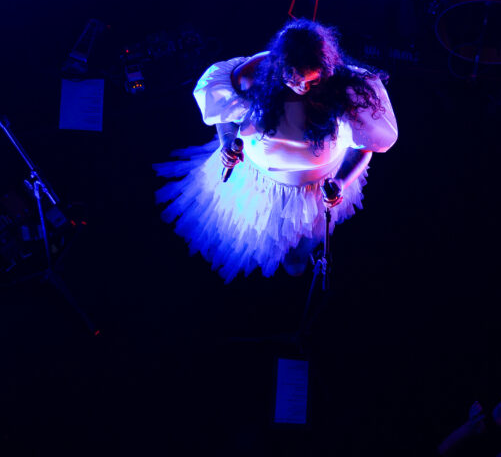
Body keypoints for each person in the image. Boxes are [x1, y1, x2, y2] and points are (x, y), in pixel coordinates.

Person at [155, 18, 398, 281]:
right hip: (256, 184)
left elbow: (364, 148)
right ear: (279, 66)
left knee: (303, 244)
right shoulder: (253, 76)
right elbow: (224, 113)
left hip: (315, 192)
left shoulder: (346, 90)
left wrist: (341, 182)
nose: (303, 88)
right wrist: (226, 142)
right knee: (254, 232)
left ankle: (300, 256)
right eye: (295, 79)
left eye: (312, 81)